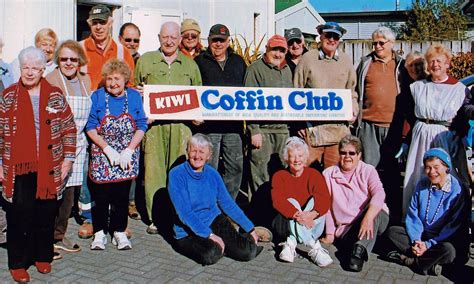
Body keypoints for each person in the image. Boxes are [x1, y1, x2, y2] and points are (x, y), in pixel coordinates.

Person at [0, 47, 76, 282]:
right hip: (18, 166)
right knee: (19, 216)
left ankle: (43, 256)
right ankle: (18, 263)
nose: (30, 72)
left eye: (35, 68)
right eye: (26, 68)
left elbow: (69, 128)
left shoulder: (54, 95)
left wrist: (68, 159)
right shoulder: (9, 96)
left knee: (46, 213)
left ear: (43, 70)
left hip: (49, 165)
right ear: (20, 69)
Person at [134, 21, 202, 234]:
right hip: (154, 128)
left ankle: (178, 215)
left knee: (179, 170)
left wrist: (197, 116)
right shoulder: (146, 61)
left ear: (180, 39)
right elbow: (134, 90)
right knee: (153, 171)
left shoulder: (190, 65)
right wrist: (140, 97)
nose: (170, 41)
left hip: (181, 128)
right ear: (159, 38)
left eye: (174, 37)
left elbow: (199, 95)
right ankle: (157, 218)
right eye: (166, 37)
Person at [168, 134, 263, 265]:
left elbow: (228, 204)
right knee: (211, 254)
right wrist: (209, 235)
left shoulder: (213, 174)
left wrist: (250, 228)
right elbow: (185, 213)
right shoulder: (176, 174)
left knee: (248, 252)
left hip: (214, 220)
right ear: (187, 151)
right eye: (193, 150)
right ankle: (222, 244)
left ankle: (236, 240)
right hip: (187, 231)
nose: (197, 156)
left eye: (202, 152)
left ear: (209, 156)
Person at [402, 44, 471, 218]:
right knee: (417, 175)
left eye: (439, 61)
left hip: (445, 137)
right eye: (431, 61)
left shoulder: (458, 89)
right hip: (421, 136)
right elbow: (408, 115)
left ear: (447, 63)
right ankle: (415, 219)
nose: (435, 65)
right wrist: (405, 139)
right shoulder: (418, 87)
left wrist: (459, 139)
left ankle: (447, 219)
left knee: (446, 177)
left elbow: (463, 118)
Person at [85, 59, 146, 251]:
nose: (113, 83)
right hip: (104, 154)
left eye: (117, 78)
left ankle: (119, 231)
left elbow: (142, 125)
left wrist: (129, 150)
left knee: (121, 196)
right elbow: (91, 127)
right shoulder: (97, 96)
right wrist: (107, 149)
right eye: (109, 79)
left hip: (127, 155)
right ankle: (100, 232)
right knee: (101, 196)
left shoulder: (135, 97)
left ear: (125, 79)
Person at [386, 148, 467, 276]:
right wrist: (416, 240)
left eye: (436, 167)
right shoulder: (422, 184)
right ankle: (428, 263)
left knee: (449, 250)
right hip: (422, 236)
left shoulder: (457, 190)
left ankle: (411, 261)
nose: (431, 172)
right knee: (393, 232)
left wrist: (428, 245)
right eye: (428, 168)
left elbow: (453, 225)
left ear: (446, 168)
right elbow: (413, 215)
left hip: (442, 240)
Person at [46, 40, 92, 256]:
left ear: (80, 61)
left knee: (69, 195)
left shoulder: (85, 80)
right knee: (53, 193)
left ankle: (58, 235)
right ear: (58, 60)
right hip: (57, 144)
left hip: (79, 144)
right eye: (64, 59)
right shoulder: (51, 79)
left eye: (73, 59)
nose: (68, 63)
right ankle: (45, 237)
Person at [294, 22, 358, 170]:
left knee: (335, 176)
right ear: (321, 37)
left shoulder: (346, 61)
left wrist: (353, 109)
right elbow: (296, 91)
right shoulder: (308, 59)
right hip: (312, 132)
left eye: (335, 36)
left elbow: (352, 92)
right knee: (308, 174)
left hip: (338, 132)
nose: (331, 39)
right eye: (328, 35)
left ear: (340, 39)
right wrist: (298, 123)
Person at [194, 24, 247, 199]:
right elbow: (191, 90)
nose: (218, 44)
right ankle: (208, 204)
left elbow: (248, 92)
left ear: (228, 41)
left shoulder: (238, 61)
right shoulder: (199, 61)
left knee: (235, 167)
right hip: (210, 127)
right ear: (209, 41)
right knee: (209, 167)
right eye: (215, 40)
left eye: (222, 40)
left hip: (233, 127)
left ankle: (227, 204)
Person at [322, 135, 389, 272]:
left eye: (352, 153)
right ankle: (362, 245)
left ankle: (357, 254)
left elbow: (379, 193)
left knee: (376, 211)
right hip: (348, 228)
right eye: (343, 153)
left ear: (359, 155)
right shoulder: (328, 174)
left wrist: (368, 217)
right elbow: (326, 206)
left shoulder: (368, 170)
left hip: (374, 219)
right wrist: (330, 233)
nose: (347, 157)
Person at [271, 137, 332, 267]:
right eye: (292, 156)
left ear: (305, 158)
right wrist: (298, 215)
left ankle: (291, 243)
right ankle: (313, 246)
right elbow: (277, 201)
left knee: (316, 200)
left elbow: (325, 198)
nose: (297, 160)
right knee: (291, 201)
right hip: (286, 224)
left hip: (312, 223)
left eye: (300, 155)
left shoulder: (314, 174)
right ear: (286, 158)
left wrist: (311, 214)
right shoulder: (279, 176)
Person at [244, 34, 292, 198]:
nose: (278, 54)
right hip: (262, 131)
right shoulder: (255, 69)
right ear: (267, 49)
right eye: (274, 50)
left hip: (283, 131)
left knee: (281, 174)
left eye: (282, 51)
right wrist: (254, 129)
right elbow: (249, 101)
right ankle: (258, 216)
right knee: (260, 175)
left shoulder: (287, 71)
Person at [119, 22, 142, 221]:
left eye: (135, 40)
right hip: (114, 115)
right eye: (128, 40)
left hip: (134, 117)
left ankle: (131, 201)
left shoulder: (142, 61)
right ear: (120, 40)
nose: (132, 44)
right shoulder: (115, 57)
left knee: (132, 159)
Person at [80, 4, 135, 90]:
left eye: (102, 22)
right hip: (87, 102)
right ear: (90, 25)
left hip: (115, 102)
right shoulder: (79, 49)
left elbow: (130, 86)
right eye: (94, 23)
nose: (98, 27)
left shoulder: (123, 52)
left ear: (110, 24)